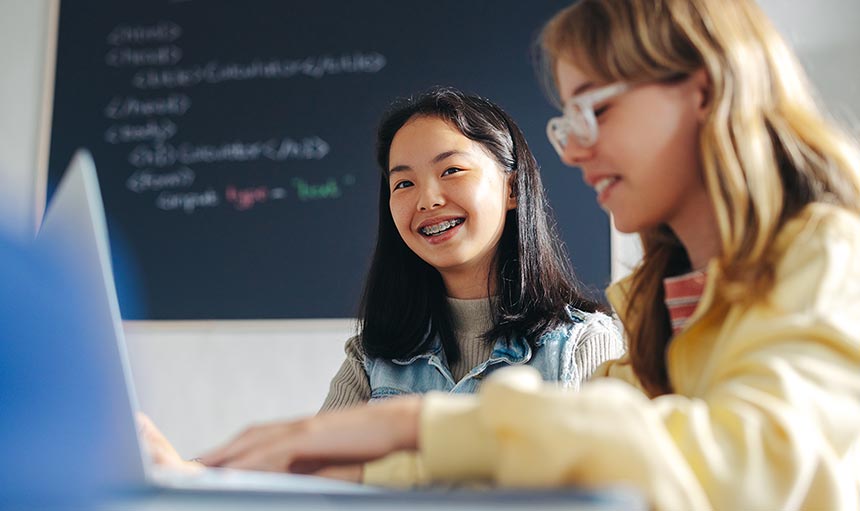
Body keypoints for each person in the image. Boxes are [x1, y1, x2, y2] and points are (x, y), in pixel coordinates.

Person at [192, 0, 860, 509]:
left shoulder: (829, 255)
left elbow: (746, 464)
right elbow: (558, 459)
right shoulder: (663, 301)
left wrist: (414, 419)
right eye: (567, 119)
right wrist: (211, 478)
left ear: (705, 89)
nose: (572, 149)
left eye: (595, 108)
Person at [144, 86, 623, 479]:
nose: (427, 199)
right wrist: (184, 475)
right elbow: (306, 472)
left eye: (451, 170)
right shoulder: (373, 356)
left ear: (513, 188)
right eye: (403, 183)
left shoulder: (585, 345)